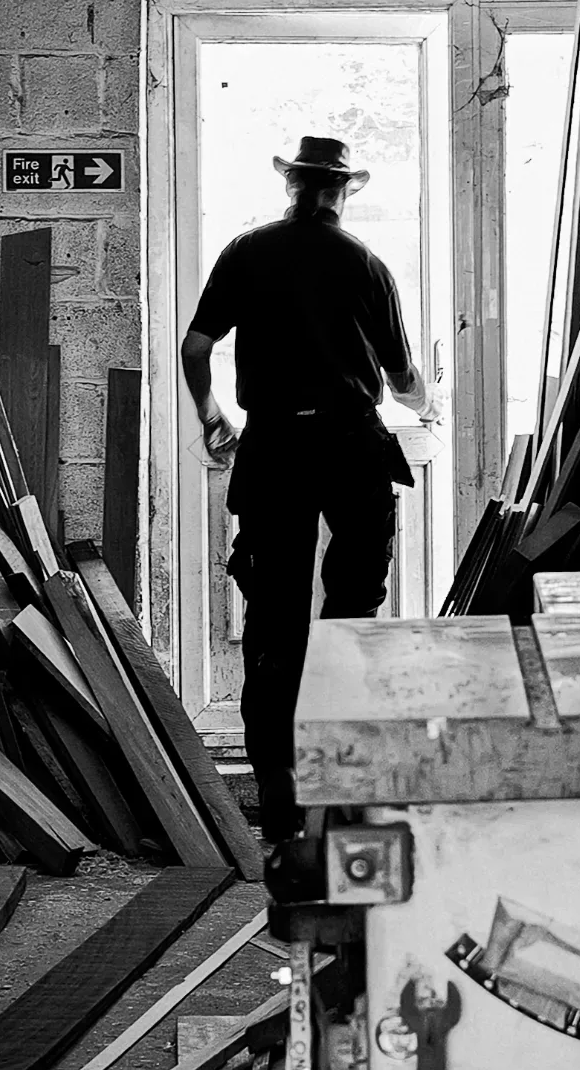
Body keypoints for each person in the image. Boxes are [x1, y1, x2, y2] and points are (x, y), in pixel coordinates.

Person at [179, 134, 435, 843]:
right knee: (353, 616)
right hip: (352, 446)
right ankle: (346, 788)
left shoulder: (245, 253)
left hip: (275, 448)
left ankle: (280, 795)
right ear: (343, 191)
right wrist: (427, 404)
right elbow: (401, 377)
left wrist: (213, 417)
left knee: (274, 621)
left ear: (292, 186)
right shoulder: (367, 265)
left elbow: (196, 348)